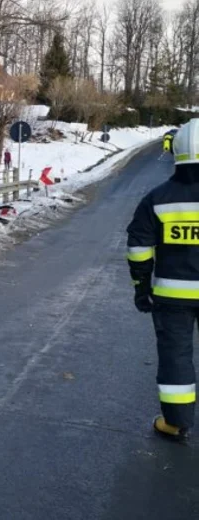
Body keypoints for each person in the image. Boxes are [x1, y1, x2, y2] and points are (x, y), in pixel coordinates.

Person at [127, 118, 199, 442]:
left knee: (176, 359)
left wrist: (141, 288)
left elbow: (139, 247)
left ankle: (176, 423)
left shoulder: (157, 199)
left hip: (172, 299)